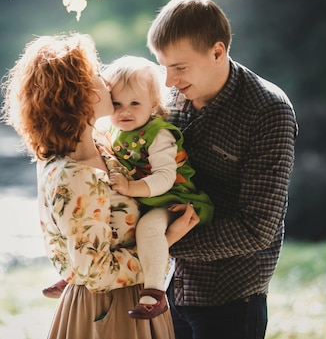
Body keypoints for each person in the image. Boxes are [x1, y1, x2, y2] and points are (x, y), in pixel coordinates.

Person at [0, 33, 200, 339]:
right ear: (78, 94)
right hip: (108, 314)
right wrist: (167, 241)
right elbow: (94, 271)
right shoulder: (73, 174)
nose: (105, 80)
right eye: (95, 74)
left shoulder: (102, 144)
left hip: (133, 303)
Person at [147, 0, 298, 338]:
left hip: (230, 299)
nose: (168, 80)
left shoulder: (268, 111)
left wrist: (160, 242)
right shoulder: (167, 97)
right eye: (163, 66)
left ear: (217, 52)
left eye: (180, 67)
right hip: (166, 289)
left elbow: (257, 228)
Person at [43, 55, 215, 319]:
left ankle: (156, 291)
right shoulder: (106, 135)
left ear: (154, 104)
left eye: (135, 103)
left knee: (148, 228)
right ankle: (73, 273)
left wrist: (130, 188)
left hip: (171, 197)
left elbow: (165, 177)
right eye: (117, 103)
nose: (124, 111)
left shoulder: (159, 134)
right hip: (141, 204)